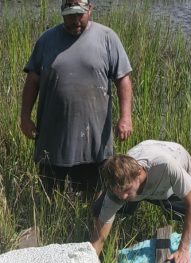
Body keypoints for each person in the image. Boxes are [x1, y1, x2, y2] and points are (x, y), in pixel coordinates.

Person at [20, 0, 133, 194]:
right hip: (52, 139)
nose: (75, 20)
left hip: (93, 141)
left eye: (80, 14)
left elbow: (123, 79)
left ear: (90, 9)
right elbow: (32, 81)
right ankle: (49, 224)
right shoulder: (46, 40)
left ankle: (89, 224)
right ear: (62, 12)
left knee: (91, 198)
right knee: (49, 199)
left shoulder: (107, 38)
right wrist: (24, 118)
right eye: (70, 14)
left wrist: (126, 117)